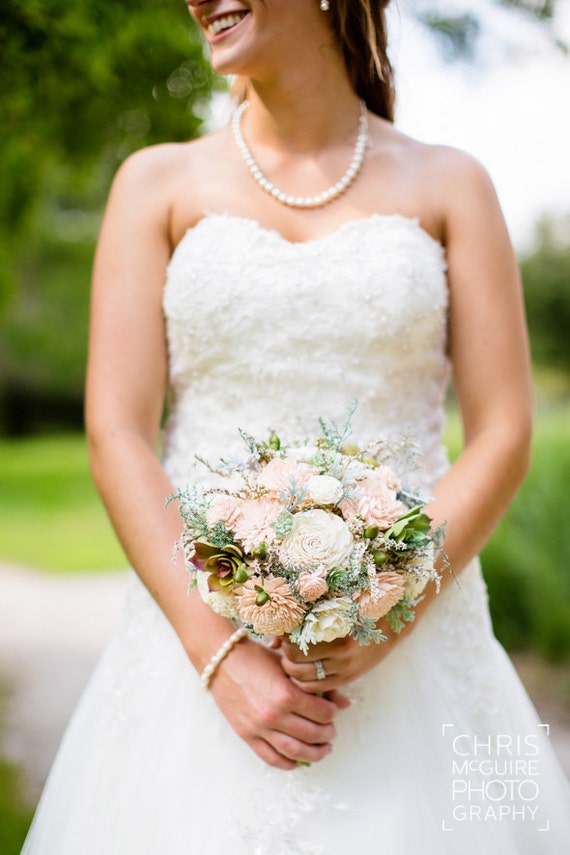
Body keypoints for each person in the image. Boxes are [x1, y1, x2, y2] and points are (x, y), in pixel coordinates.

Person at [22, 1, 570, 852]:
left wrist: (389, 607)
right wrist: (220, 659)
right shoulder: (154, 183)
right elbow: (116, 432)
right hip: (194, 645)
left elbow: (503, 430)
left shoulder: (452, 182)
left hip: (417, 644)